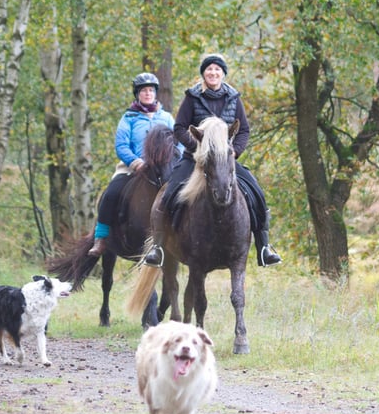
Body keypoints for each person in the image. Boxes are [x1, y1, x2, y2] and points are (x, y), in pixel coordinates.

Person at [144, 53, 282, 268]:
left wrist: (234, 151)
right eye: (209, 69)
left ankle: (264, 247)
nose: (213, 72)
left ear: (223, 74)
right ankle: (158, 247)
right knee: (168, 193)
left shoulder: (234, 98)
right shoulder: (192, 97)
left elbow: (243, 129)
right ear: (204, 74)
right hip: (195, 158)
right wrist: (197, 147)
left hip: (224, 160)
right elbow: (179, 127)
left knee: (256, 192)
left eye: (217, 69)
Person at [88, 72, 177, 257]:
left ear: (156, 93)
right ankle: (101, 238)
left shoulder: (167, 118)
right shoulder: (129, 118)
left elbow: (179, 143)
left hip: (164, 168)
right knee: (110, 194)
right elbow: (121, 145)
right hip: (134, 167)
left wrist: (176, 160)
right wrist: (136, 162)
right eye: (144, 90)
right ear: (137, 94)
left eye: (151, 90)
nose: (148, 93)